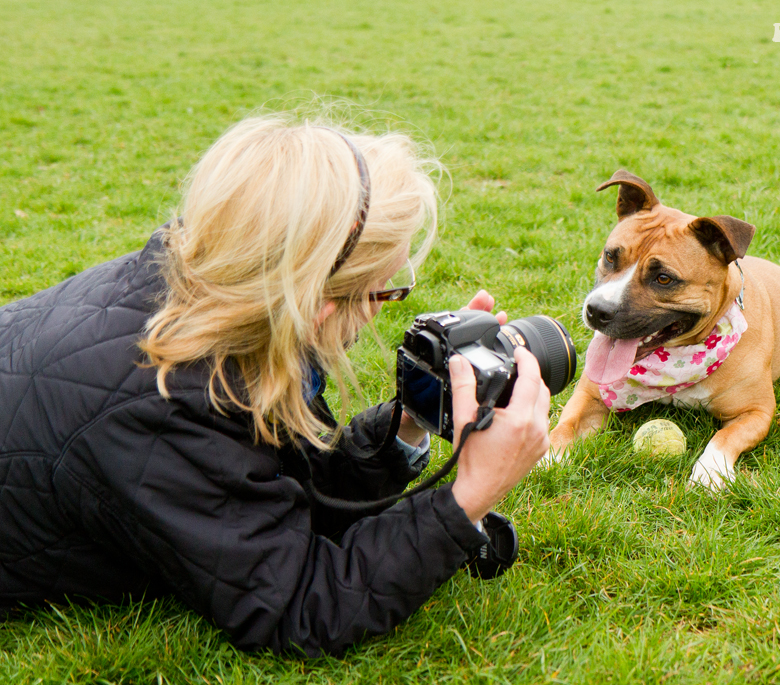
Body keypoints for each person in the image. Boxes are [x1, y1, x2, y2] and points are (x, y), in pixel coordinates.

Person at [0, 113, 551, 657]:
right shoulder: (164, 402)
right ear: (317, 302)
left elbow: (280, 487)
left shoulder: (208, 290)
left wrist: (406, 421)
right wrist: (469, 495)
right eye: (384, 290)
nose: (380, 309)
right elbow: (297, 607)